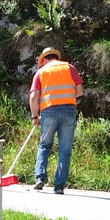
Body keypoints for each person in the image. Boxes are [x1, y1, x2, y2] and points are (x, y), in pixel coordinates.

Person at [29, 47, 84, 194]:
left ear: (45, 60)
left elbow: (34, 97)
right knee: (65, 149)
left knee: (45, 145)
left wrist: (35, 116)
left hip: (49, 111)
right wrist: (68, 98)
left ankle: (40, 178)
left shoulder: (41, 72)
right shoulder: (70, 68)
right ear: (56, 57)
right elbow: (80, 91)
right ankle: (59, 186)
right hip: (69, 111)